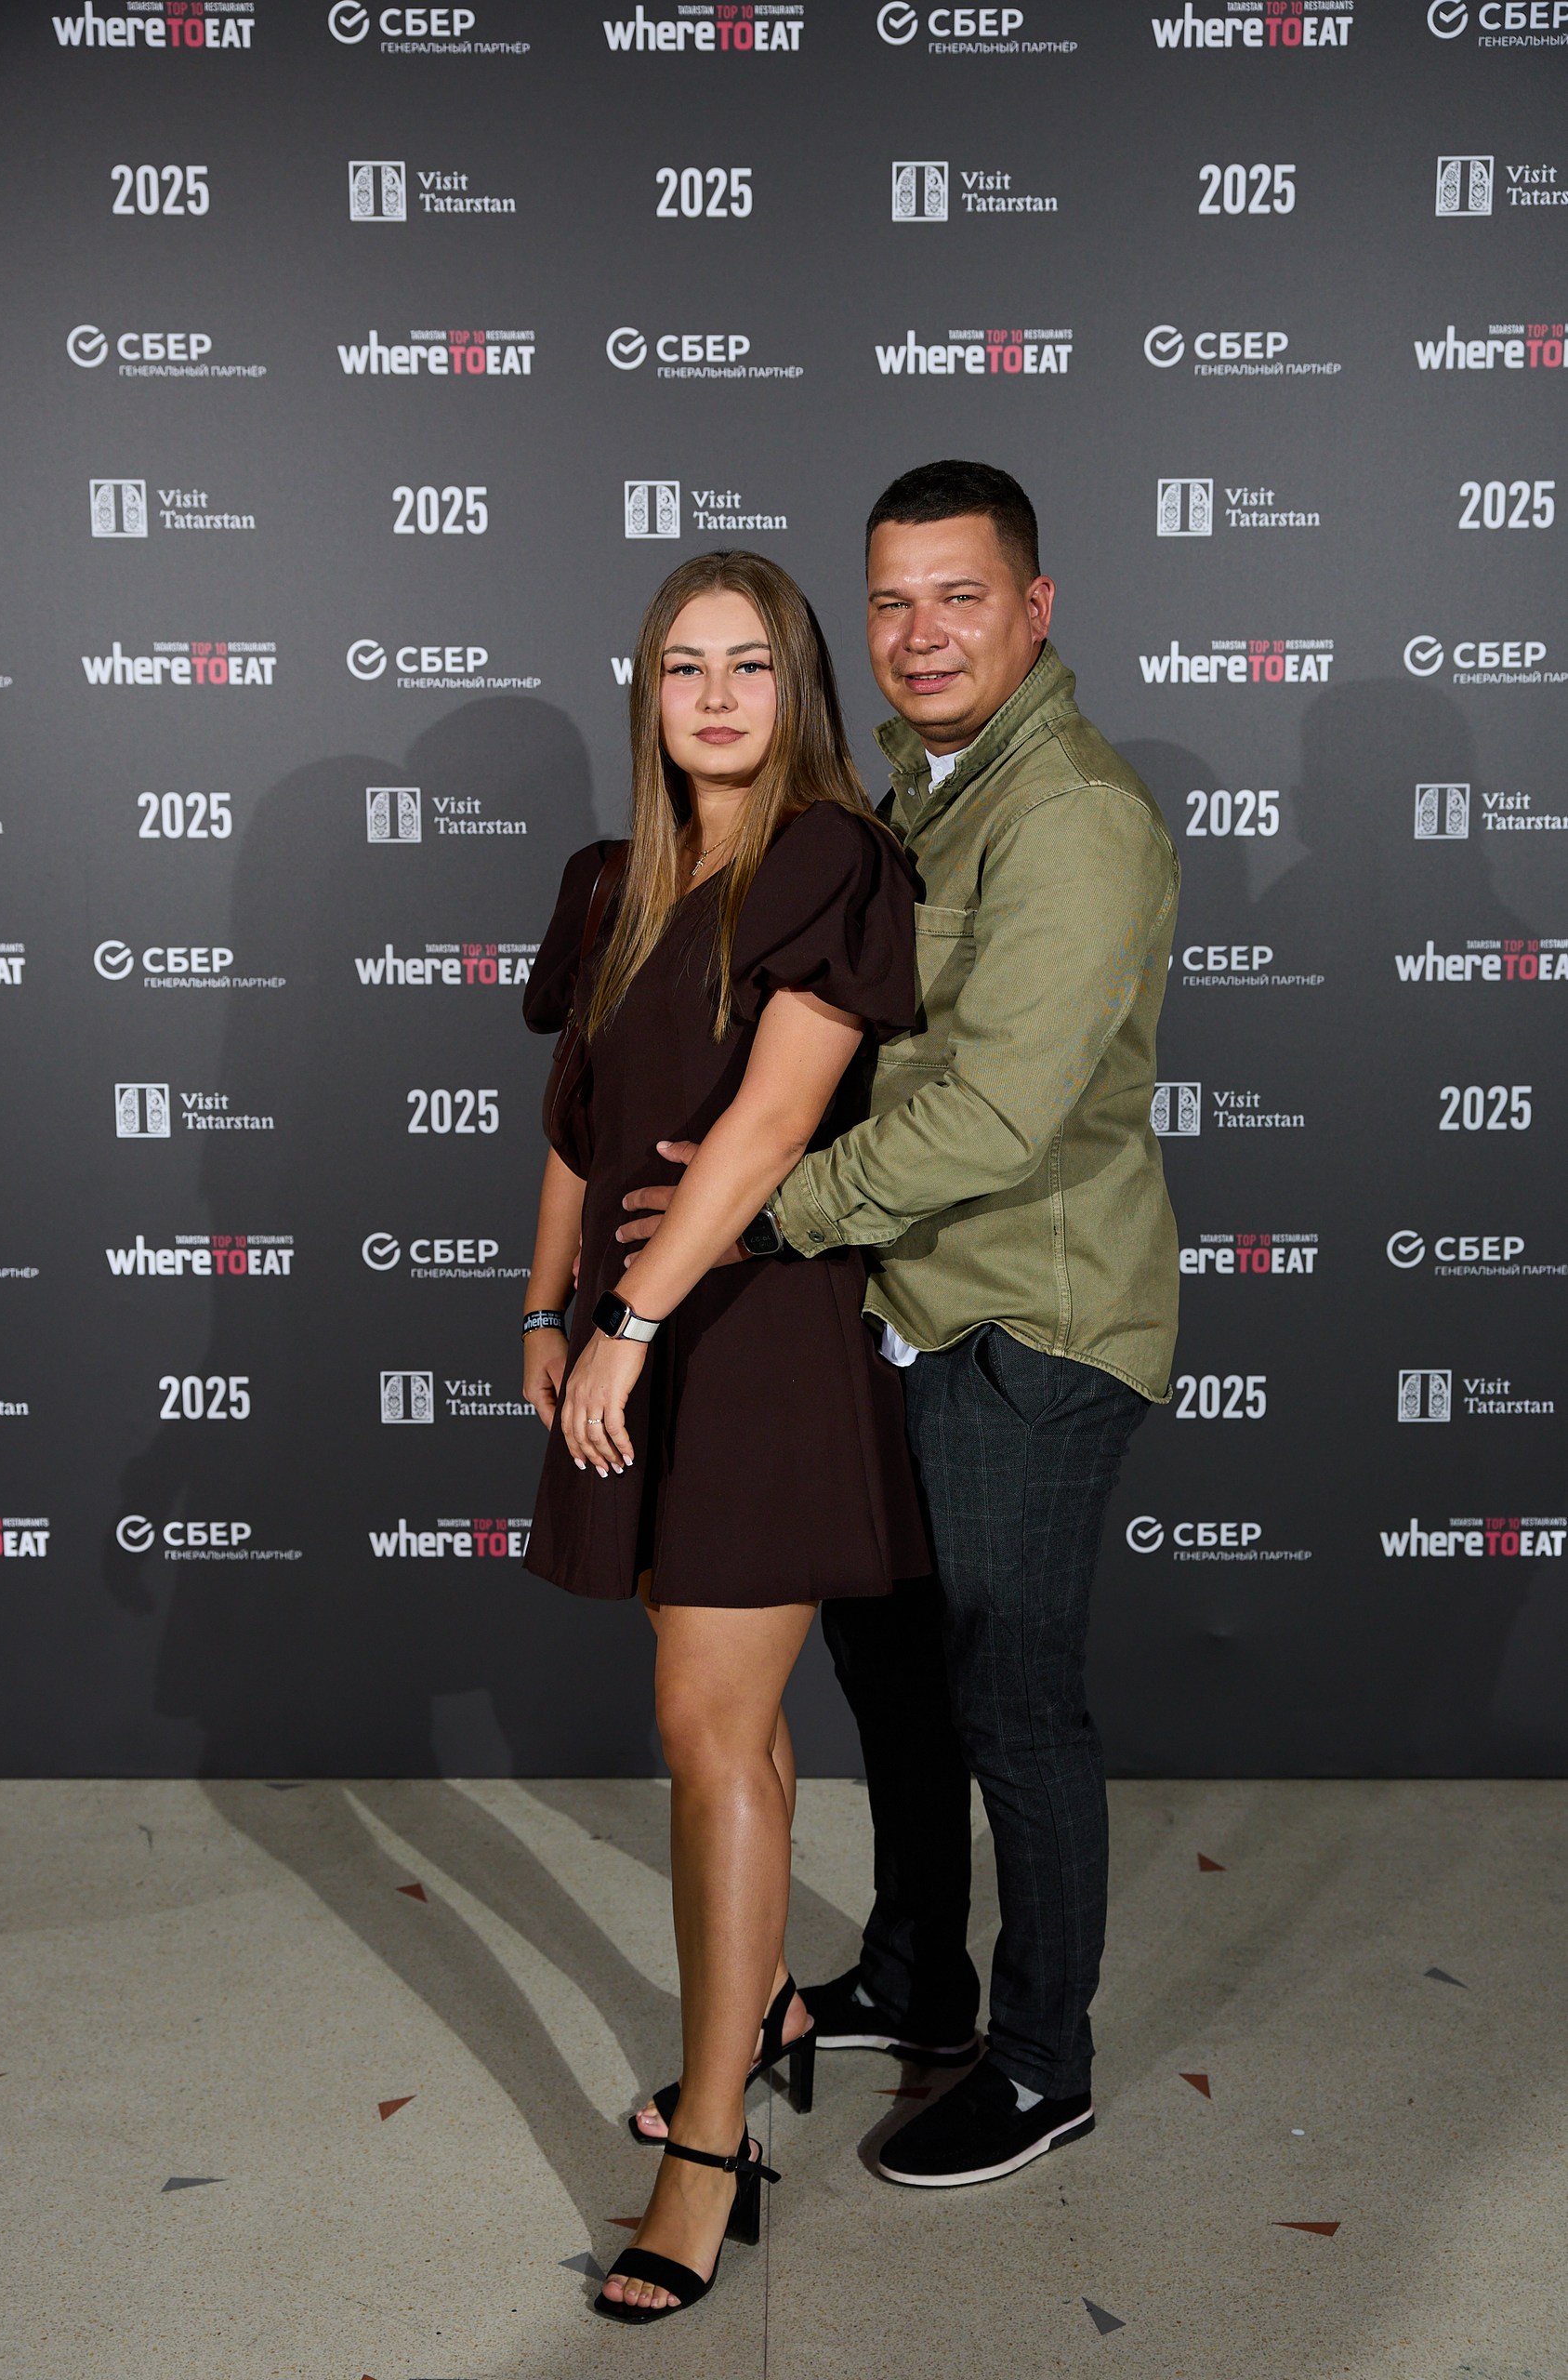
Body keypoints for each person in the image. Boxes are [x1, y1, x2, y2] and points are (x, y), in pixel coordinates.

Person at [617, 460, 1181, 2189]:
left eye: (961, 595)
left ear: (1036, 607)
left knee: (1012, 1701)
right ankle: (920, 1975)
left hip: (1030, 1320)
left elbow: (995, 1118)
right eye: (891, 601)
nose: (922, 632)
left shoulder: (1069, 814)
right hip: (901, 1311)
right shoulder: (913, 798)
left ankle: (1042, 2061)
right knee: (896, 1677)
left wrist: (760, 1212)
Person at [520, 549, 929, 2320]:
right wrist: (545, 1308)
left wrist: (627, 1323)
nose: (713, 695)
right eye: (682, 664)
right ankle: (758, 2010)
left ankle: (707, 2149)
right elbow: (574, 1118)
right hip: (627, 1334)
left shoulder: (834, 856)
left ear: (798, 686)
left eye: (749, 663)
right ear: (647, 692)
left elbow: (769, 1127)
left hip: (753, 1340)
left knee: (703, 1726)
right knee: (733, 1732)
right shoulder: (609, 879)